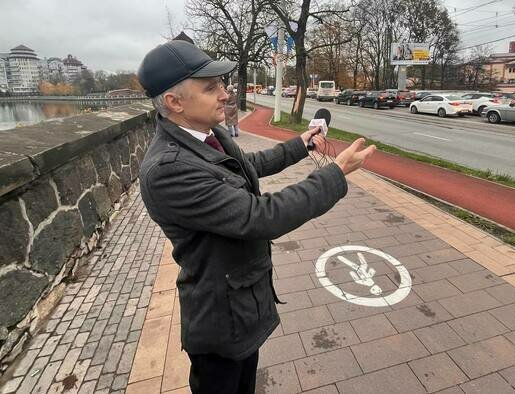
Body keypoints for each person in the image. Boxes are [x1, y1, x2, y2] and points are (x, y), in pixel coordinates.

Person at [136, 40, 376, 394]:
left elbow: (247, 166)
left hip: (241, 303)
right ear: (175, 102)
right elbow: (261, 217)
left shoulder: (203, 135)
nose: (225, 93)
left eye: (222, 83)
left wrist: (301, 144)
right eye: (210, 86)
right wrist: (335, 175)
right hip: (220, 318)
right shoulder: (168, 169)